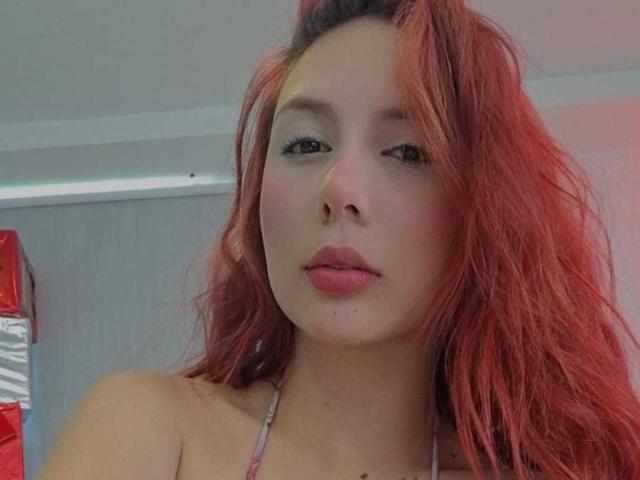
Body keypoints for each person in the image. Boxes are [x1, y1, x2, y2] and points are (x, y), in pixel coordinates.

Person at [36, 1, 640, 479]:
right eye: (306, 144)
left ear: (482, 209)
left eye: (408, 151)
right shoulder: (149, 432)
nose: (339, 188)